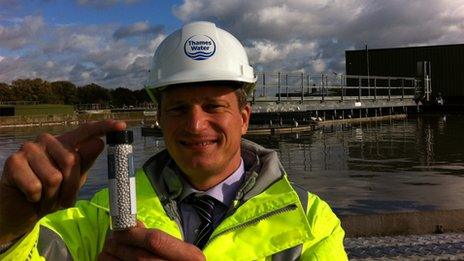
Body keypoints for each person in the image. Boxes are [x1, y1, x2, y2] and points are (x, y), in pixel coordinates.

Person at [0, 21, 347, 260]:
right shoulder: (104, 213)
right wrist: (8, 230)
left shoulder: (312, 221)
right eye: (179, 109)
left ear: (244, 118)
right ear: (160, 119)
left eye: (213, 106)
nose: (196, 125)